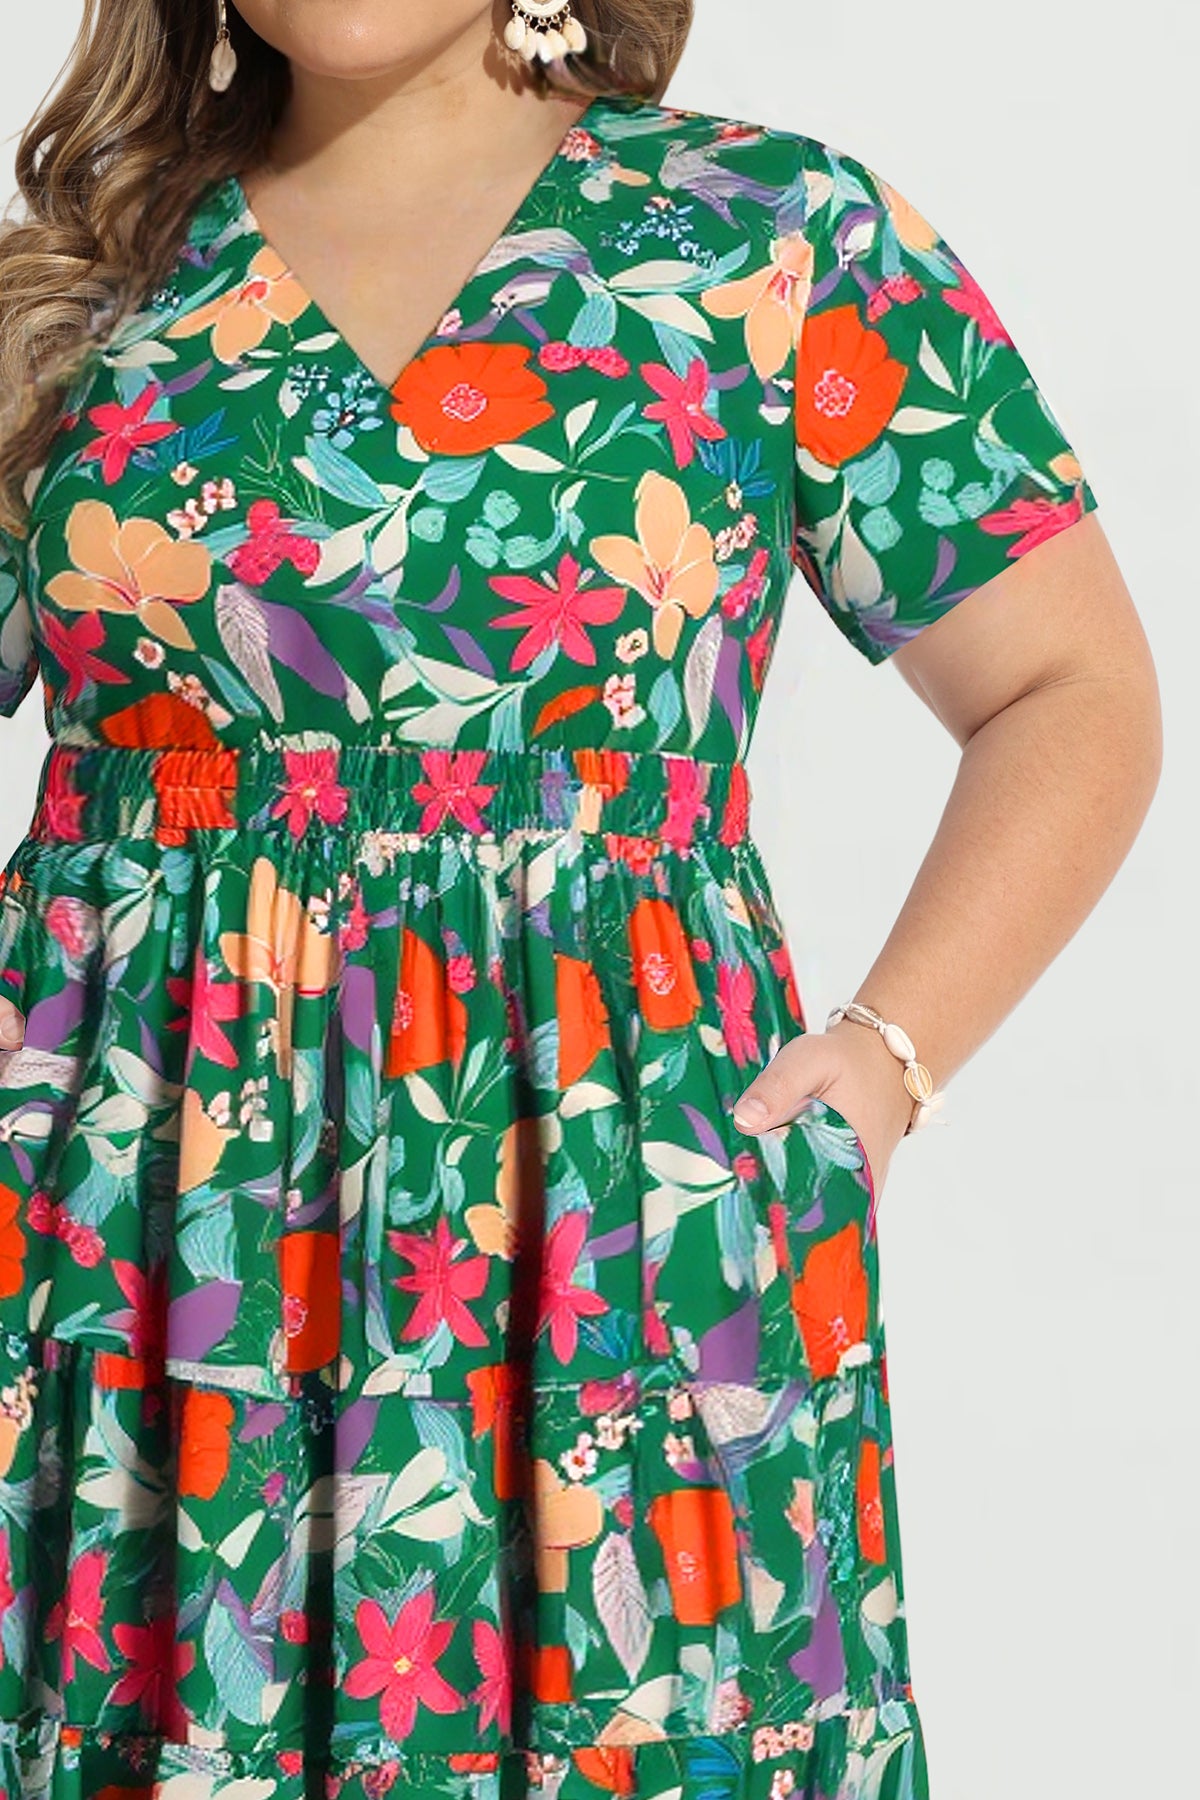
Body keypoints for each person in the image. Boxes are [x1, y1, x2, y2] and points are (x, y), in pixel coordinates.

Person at [0, 3, 1161, 1798]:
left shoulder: (773, 240)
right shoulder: (71, 292)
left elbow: (1071, 689)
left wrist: (889, 1057)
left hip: (615, 1228)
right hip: (143, 1251)